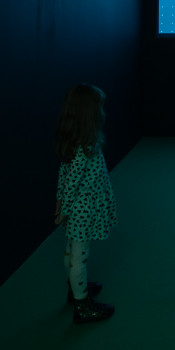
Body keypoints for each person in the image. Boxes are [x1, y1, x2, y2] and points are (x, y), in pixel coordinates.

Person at [53, 84, 118, 323]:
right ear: (89, 114)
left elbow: (64, 174)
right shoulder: (86, 146)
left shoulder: (75, 141)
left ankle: (75, 288)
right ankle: (82, 306)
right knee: (79, 257)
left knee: (72, 251)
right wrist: (65, 209)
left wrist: (60, 202)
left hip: (77, 209)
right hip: (83, 210)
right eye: (99, 108)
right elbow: (72, 181)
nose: (102, 112)